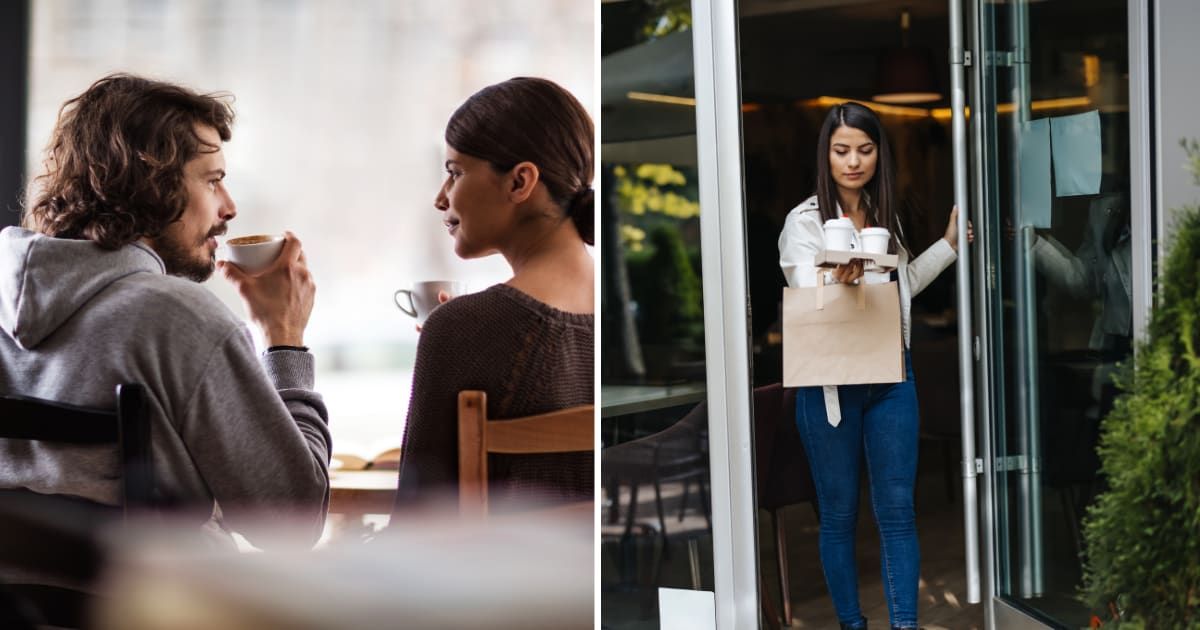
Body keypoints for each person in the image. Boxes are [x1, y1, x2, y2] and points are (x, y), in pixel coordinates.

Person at [0, 74, 330, 549]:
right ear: (152, 182)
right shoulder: (179, 319)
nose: (229, 207)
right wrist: (284, 337)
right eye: (213, 181)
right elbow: (290, 523)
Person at [777, 102, 972, 630]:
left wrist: (949, 247)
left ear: (878, 154)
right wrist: (836, 278)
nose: (853, 161)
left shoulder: (887, 217)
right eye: (842, 151)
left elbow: (900, 289)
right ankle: (852, 625)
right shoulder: (804, 222)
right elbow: (802, 287)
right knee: (839, 517)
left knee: (898, 513)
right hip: (831, 386)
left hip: (890, 376)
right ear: (826, 155)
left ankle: (905, 624)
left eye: (864, 150)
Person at [392, 77, 594, 513]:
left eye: (455, 172)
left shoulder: (463, 328)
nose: (440, 198)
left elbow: (417, 526)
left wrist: (452, 339)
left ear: (520, 182)